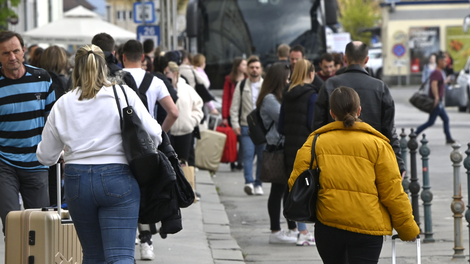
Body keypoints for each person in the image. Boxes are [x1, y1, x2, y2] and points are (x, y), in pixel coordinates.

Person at [37, 44, 162, 263]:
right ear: (104, 68)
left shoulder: (63, 103)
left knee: (93, 256)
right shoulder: (123, 94)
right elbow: (155, 133)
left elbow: (46, 156)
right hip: (119, 178)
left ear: (75, 69)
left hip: (78, 182)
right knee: (121, 256)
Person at [289, 86, 419, 263]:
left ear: (332, 113)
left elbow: (295, 182)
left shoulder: (315, 142)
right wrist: (408, 229)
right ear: (359, 111)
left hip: (328, 225)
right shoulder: (378, 145)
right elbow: (393, 193)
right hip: (367, 228)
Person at [313, 41, 405, 176]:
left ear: (345, 59)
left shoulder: (329, 85)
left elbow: (317, 128)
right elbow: (389, 130)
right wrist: (398, 163)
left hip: (333, 161)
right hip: (371, 160)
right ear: (367, 59)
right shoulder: (380, 87)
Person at [0, 31, 55, 235]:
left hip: (36, 161)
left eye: (15, 51)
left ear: (24, 51)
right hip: (4, 162)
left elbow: (52, 122)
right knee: (12, 224)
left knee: (39, 226)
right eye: (5, 53)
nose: (12, 57)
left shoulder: (42, 78)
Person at [257, 62, 297, 244]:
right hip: (277, 150)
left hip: (282, 148)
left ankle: (290, 228)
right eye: (287, 78)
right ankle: (276, 230)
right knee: (279, 191)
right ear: (280, 79)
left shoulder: (276, 97)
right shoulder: (270, 99)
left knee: (284, 190)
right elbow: (286, 117)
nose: (289, 81)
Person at [278, 59, 317, 246]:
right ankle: (304, 231)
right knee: (308, 187)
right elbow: (313, 124)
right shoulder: (312, 96)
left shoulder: (287, 94)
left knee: (296, 187)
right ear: (311, 73)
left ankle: (299, 229)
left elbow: (281, 125)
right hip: (306, 147)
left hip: (290, 147)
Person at [122, 39, 178, 133]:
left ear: (123, 57)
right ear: (143, 57)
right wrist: (160, 135)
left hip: (119, 140)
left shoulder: (111, 80)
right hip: (147, 139)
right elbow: (174, 113)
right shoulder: (156, 82)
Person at [39, 45, 70, 206]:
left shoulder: (39, 82)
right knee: (57, 188)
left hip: (41, 140)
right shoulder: (66, 83)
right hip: (61, 142)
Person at [229, 55, 264, 195]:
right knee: (248, 155)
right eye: (252, 67)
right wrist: (234, 124)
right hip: (246, 125)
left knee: (262, 157)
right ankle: (249, 182)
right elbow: (234, 106)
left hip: (263, 127)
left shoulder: (266, 84)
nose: (254, 70)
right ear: (247, 70)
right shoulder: (242, 85)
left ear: (261, 69)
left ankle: (258, 183)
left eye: (257, 67)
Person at [165, 61, 204, 165]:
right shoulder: (162, 88)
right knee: (170, 165)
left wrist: (192, 121)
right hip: (168, 133)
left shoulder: (187, 89)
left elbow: (198, 106)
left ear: (175, 73)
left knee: (184, 165)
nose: (165, 76)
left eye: (167, 73)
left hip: (185, 132)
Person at [415, 53, 456, 144]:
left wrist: (447, 81)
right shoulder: (437, 72)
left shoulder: (439, 72)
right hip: (436, 101)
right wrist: (437, 97)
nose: (446, 63)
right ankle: (415, 133)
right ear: (439, 62)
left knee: (445, 119)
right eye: (444, 61)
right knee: (431, 122)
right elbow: (434, 85)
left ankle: (448, 138)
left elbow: (439, 84)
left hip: (438, 101)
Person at [222, 57, 247, 171]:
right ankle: (232, 160)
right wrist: (224, 116)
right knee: (232, 138)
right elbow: (226, 98)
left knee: (243, 138)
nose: (245, 67)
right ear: (237, 66)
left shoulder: (248, 79)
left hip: (244, 112)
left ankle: (240, 161)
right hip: (233, 112)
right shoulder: (229, 79)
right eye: (243, 65)